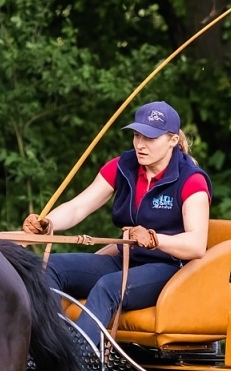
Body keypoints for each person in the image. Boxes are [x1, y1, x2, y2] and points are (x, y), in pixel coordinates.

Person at [24, 101, 211, 344]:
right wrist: (48, 222)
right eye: (136, 135)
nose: (140, 145)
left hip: (170, 268)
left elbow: (196, 244)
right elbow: (79, 206)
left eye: (150, 138)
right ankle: (50, 346)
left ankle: (79, 359)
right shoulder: (123, 166)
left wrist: (154, 239)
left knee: (108, 286)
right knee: (47, 267)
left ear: (173, 140)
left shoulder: (191, 180)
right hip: (124, 260)